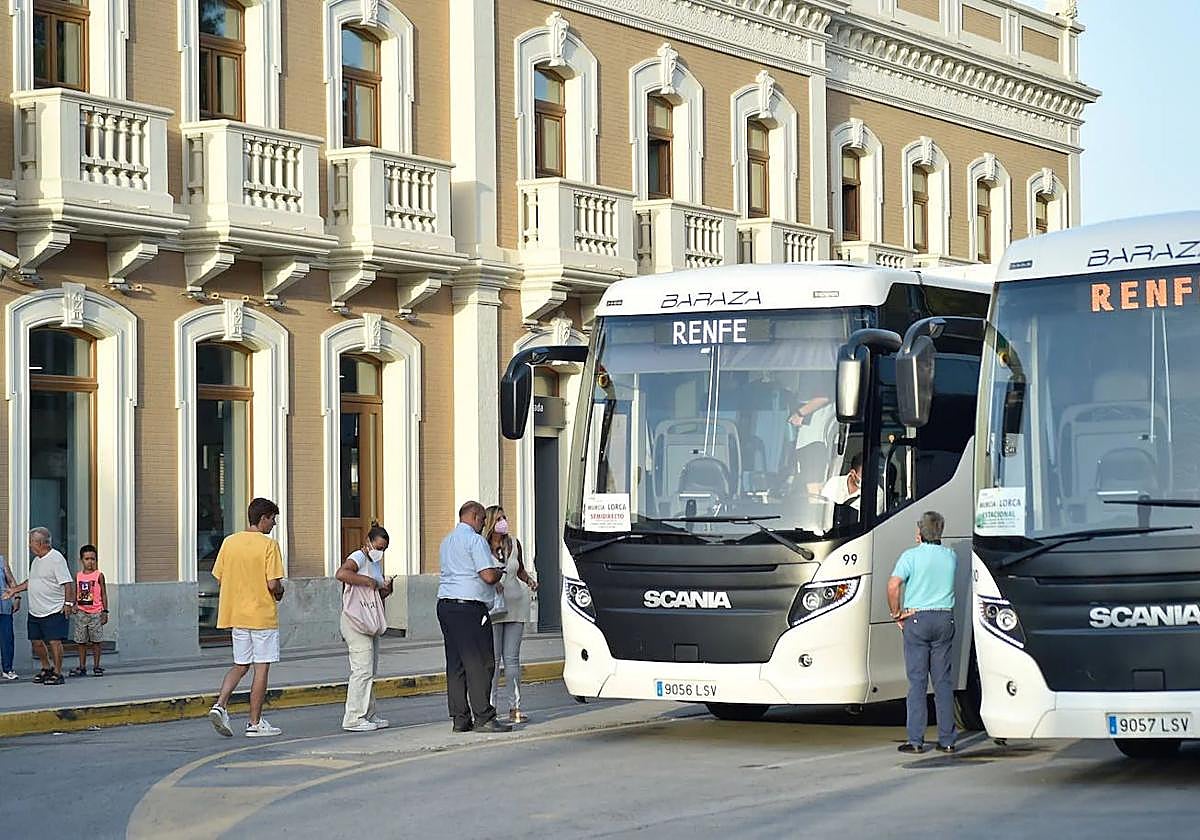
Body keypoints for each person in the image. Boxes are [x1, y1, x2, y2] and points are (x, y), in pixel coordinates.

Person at [207, 498, 286, 738]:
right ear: (263, 518)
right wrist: (281, 591)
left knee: (240, 665)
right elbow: (273, 583)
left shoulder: (229, 542)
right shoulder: (269, 545)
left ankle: (220, 704)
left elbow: (220, 577)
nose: (273, 524)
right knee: (261, 670)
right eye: (273, 519)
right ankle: (254, 722)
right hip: (261, 615)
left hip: (236, 615)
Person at [437, 501, 511, 734]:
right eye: (482, 520)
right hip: (469, 607)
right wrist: (500, 571)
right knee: (481, 663)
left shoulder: (446, 541)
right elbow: (487, 576)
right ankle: (484, 717)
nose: (483, 525)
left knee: (456, 664)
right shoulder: (475, 540)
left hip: (446, 605)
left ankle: (460, 718)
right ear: (476, 516)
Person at [888, 510, 958, 755]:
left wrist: (896, 613)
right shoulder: (951, 556)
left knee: (917, 682)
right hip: (944, 619)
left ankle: (916, 741)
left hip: (917, 619)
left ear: (919, 532)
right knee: (943, 682)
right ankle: (947, 740)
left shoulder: (910, 556)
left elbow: (893, 584)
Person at [483, 506, 539, 724]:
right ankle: (490, 707)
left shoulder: (514, 544)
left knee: (512, 660)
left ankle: (515, 707)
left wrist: (530, 581)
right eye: (498, 519)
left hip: (516, 605)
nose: (503, 522)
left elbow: (521, 569)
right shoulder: (482, 546)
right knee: (494, 661)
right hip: (494, 608)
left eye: (504, 517)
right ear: (490, 522)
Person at [336, 525, 395, 733]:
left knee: (369, 670)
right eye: (379, 547)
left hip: (369, 620)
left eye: (385, 549)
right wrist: (367, 580)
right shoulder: (359, 557)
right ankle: (353, 717)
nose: (381, 552)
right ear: (368, 542)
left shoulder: (374, 563)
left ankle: (369, 713)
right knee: (361, 670)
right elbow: (342, 573)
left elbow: (373, 594)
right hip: (355, 622)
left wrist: (385, 589)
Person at [1, 528, 75, 686]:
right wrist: (14, 590)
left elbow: (67, 583)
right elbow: (32, 581)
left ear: (41, 543)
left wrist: (68, 604)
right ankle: (46, 668)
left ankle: (57, 672)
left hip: (54, 609)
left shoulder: (56, 558)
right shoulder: (36, 561)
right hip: (36, 610)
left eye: (31, 542)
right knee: (36, 641)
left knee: (54, 642)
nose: (29, 545)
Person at [69, 545, 108, 677]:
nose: (90, 562)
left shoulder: (99, 575)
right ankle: (82, 666)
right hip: (81, 612)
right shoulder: (78, 576)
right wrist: (74, 604)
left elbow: (103, 593)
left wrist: (105, 611)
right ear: (81, 560)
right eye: (87, 559)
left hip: (96, 612)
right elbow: (76, 591)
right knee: (81, 641)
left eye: (93, 559)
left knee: (96, 641)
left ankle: (97, 666)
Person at [0, 554, 20, 680]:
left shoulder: (1, 560)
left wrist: (17, 597)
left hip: (3, 606)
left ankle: (8, 669)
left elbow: (11, 580)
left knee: (7, 640)